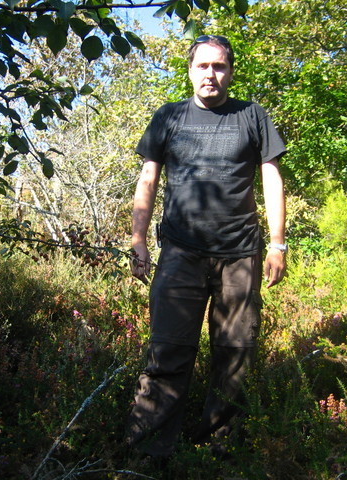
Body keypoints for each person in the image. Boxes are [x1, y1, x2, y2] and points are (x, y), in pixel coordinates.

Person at [126, 34, 287, 459]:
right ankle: (148, 455)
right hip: (180, 253)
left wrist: (277, 244)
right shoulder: (169, 117)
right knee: (167, 352)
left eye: (219, 67)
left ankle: (220, 454)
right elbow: (147, 180)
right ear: (190, 70)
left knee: (234, 356)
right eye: (203, 66)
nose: (210, 74)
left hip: (240, 254)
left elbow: (271, 177)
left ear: (230, 72)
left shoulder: (252, 116)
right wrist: (138, 238)